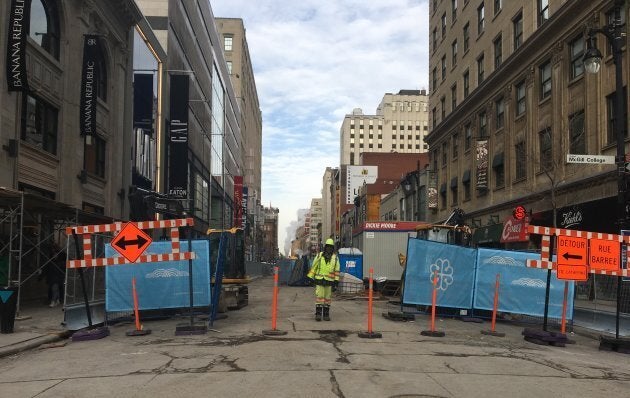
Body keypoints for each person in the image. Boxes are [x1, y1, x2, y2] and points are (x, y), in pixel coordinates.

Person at [307, 238, 340, 321]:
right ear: (325, 247)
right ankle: (318, 314)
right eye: (328, 246)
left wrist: (336, 281)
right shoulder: (319, 255)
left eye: (331, 247)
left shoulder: (335, 258)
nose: (329, 248)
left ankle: (326, 314)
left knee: (327, 298)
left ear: (333, 248)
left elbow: (337, 271)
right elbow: (314, 267)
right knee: (320, 297)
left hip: (329, 281)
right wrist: (310, 277)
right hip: (319, 280)